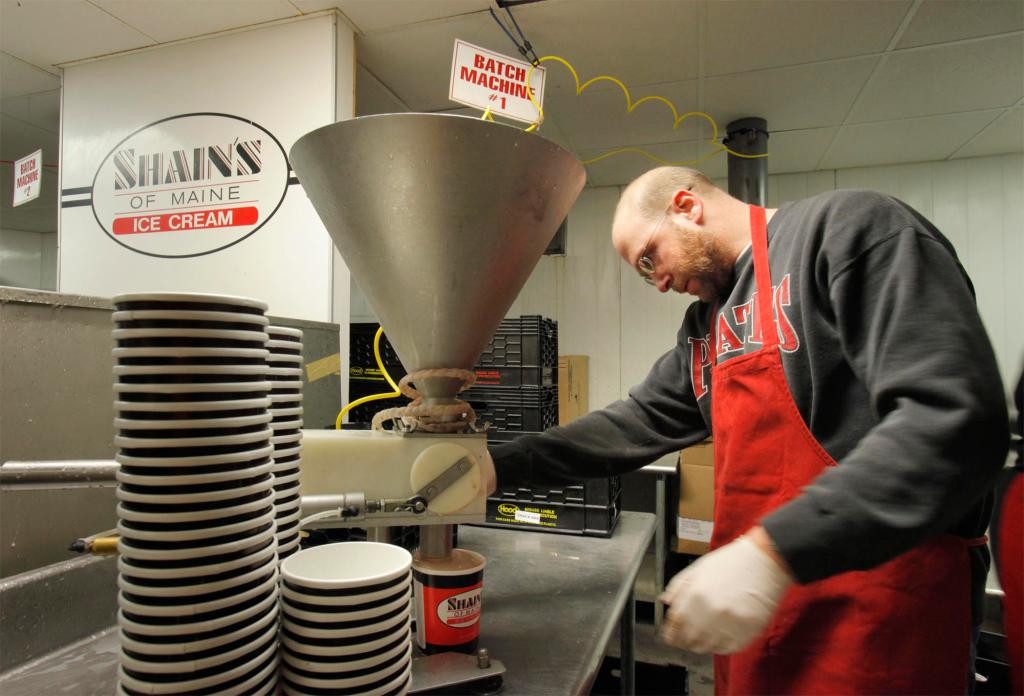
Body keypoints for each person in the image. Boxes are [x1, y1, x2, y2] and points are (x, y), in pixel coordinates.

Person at [489, 167, 1010, 694]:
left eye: (650, 258)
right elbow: (634, 423)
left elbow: (952, 421)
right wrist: (494, 467)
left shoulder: (849, 231)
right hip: (763, 616)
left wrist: (773, 551)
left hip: (886, 610)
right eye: (645, 276)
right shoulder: (705, 327)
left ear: (686, 206)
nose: (659, 283)